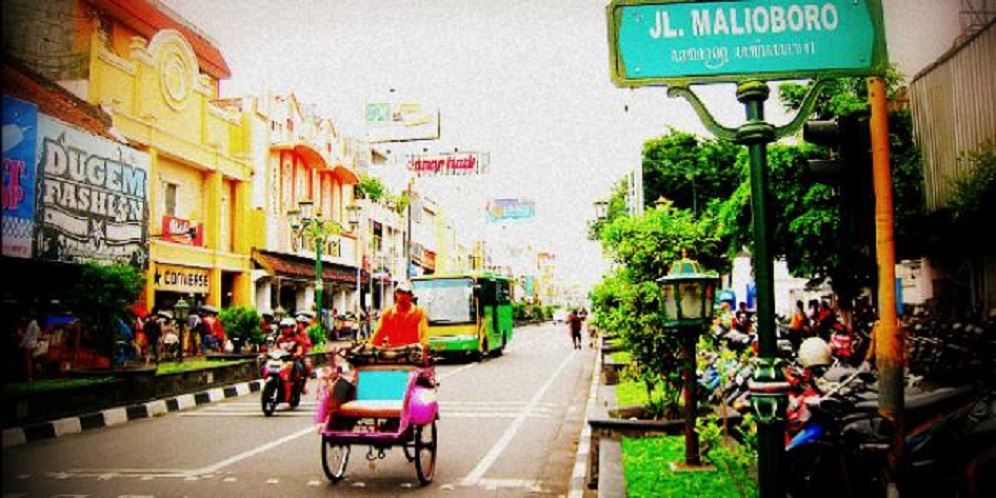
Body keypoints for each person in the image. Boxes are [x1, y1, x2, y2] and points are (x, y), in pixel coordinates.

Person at [368, 281, 429, 349]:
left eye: (405, 293)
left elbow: (424, 335)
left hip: (412, 352)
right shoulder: (388, 313)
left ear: (411, 296)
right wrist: (370, 348)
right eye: (399, 292)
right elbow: (377, 336)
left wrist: (424, 347)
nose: (401, 296)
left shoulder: (419, 313)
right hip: (393, 353)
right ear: (396, 294)